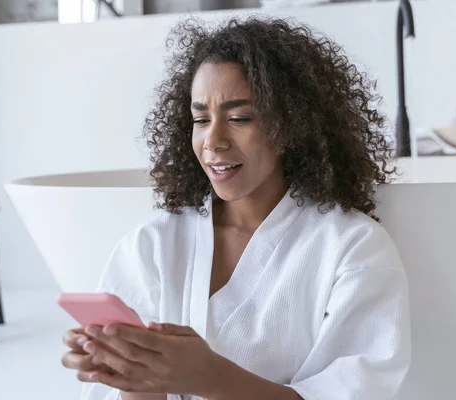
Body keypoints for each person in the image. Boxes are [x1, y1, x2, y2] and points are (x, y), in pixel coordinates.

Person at [61, 16, 411, 400]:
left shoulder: (353, 248)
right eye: (200, 119)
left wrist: (209, 377)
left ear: (291, 125)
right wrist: (128, 374)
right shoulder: (152, 245)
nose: (213, 141)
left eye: (239, 118)